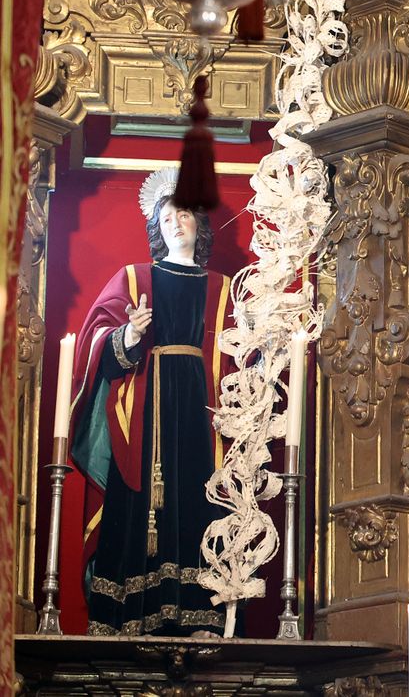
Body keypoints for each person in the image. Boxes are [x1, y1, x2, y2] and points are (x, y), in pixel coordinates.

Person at [68, 168, 234, 636]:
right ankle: (126, 613)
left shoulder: (222, 287)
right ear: (156, 229)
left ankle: (200, 612)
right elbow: (94, 339)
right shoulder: (134, 278)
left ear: (200, 224)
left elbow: (240, 351)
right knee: (140, 494)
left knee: (201, 494)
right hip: (147, 407)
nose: (176, 222)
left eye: (184, 214)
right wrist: (130, 334)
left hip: (202, 411)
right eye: (167, 217)